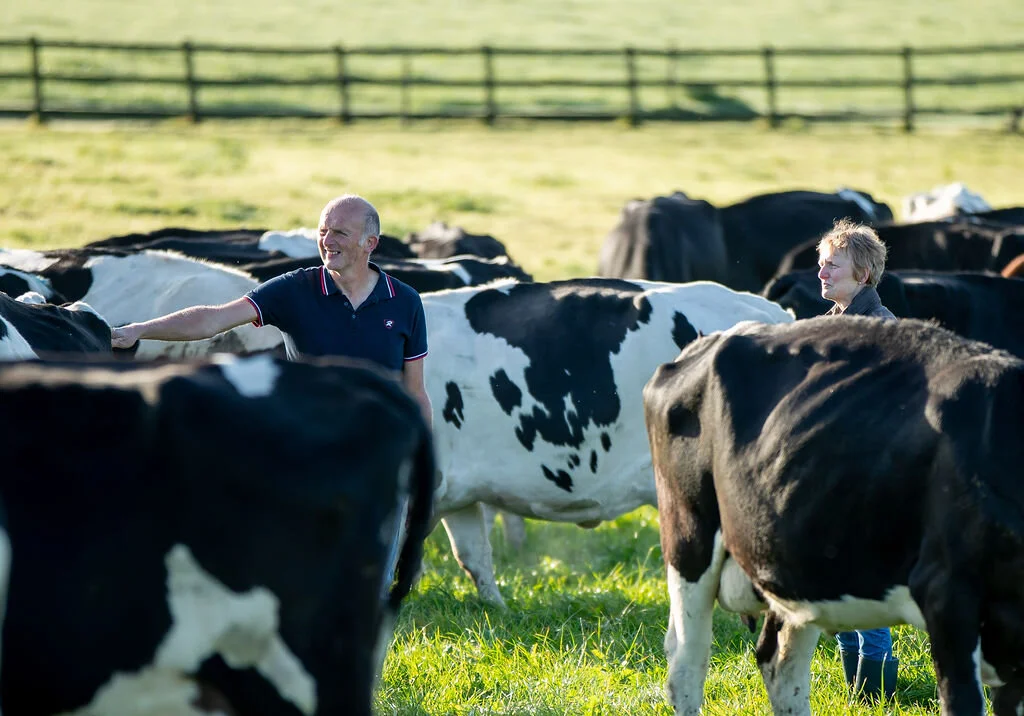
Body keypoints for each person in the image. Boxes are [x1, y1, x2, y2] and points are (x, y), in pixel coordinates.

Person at [111, 194, 432, 598]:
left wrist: (424, 461)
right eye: (323, 230)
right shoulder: (296, 289)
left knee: (371, 586)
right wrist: (140, 329)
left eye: (339, 232)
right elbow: (213, 319)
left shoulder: (405, 302)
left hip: (380, 457)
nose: (327, 240)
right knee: (305, 575)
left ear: (371, 243)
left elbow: (415, 391)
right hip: (309, 453)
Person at [816, 218, 898, 700]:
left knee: (865, 581)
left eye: (833, 265)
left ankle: (875, 696)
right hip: (832, 471)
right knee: (838, 580)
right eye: (822, 264)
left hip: (868, 474)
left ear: (863, 274)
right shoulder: (827, 325)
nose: (822, 273)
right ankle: (857, 688)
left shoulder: (883, 329)